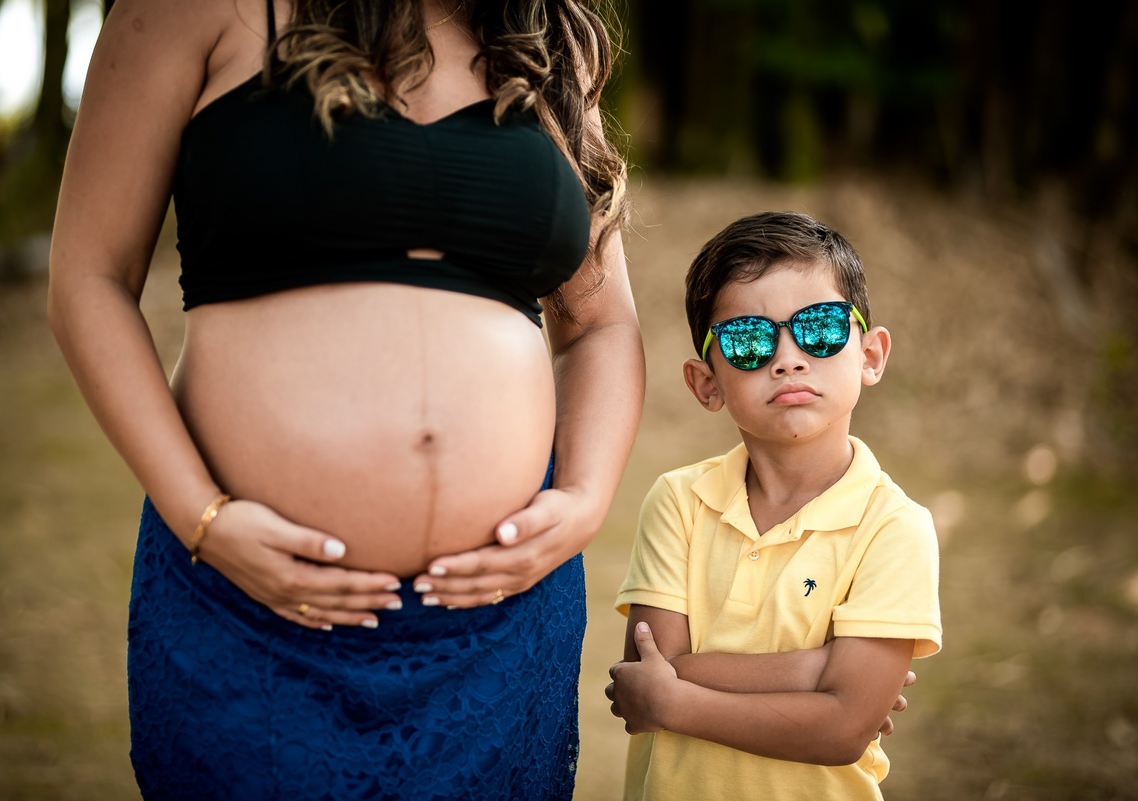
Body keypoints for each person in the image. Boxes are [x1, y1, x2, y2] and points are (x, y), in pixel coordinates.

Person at [47, 0, 643, 797]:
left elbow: (601, 323)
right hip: (250, 605)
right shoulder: (192, 10)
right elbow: (89, 279)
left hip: (497, 624)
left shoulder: (542, 38)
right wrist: (203, 518)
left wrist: (586, 496)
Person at [604, 211, 941, 800]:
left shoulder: (895, 527)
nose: (787, 358)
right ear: (706, 383)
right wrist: (818, 671)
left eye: (819, 328)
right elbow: (640, 678)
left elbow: (841, 731)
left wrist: (674, 698)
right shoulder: (679, 502)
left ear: (870, 354)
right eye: (749, 338)